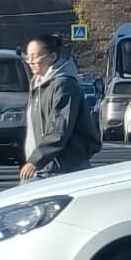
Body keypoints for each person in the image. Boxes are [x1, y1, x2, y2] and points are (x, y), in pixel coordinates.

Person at [21, 34, 101, 180]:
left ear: (52, 57)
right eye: (28, 56)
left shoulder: (63, 86)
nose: (30, 61)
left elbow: (59, 129)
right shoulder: (39, 85)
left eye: (35, 56)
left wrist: (36, 160)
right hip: (45, 167)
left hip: (64, 169)